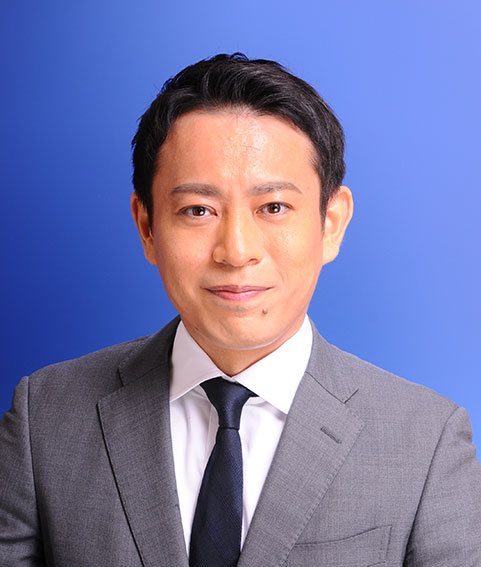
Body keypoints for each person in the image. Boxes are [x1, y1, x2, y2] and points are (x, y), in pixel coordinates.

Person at [1, 53, 480, 567]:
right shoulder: (44, 418)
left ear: (331, 223)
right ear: (147, 226)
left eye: (273, 207)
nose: (236, 251)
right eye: (197, 210)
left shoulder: (426, 440)